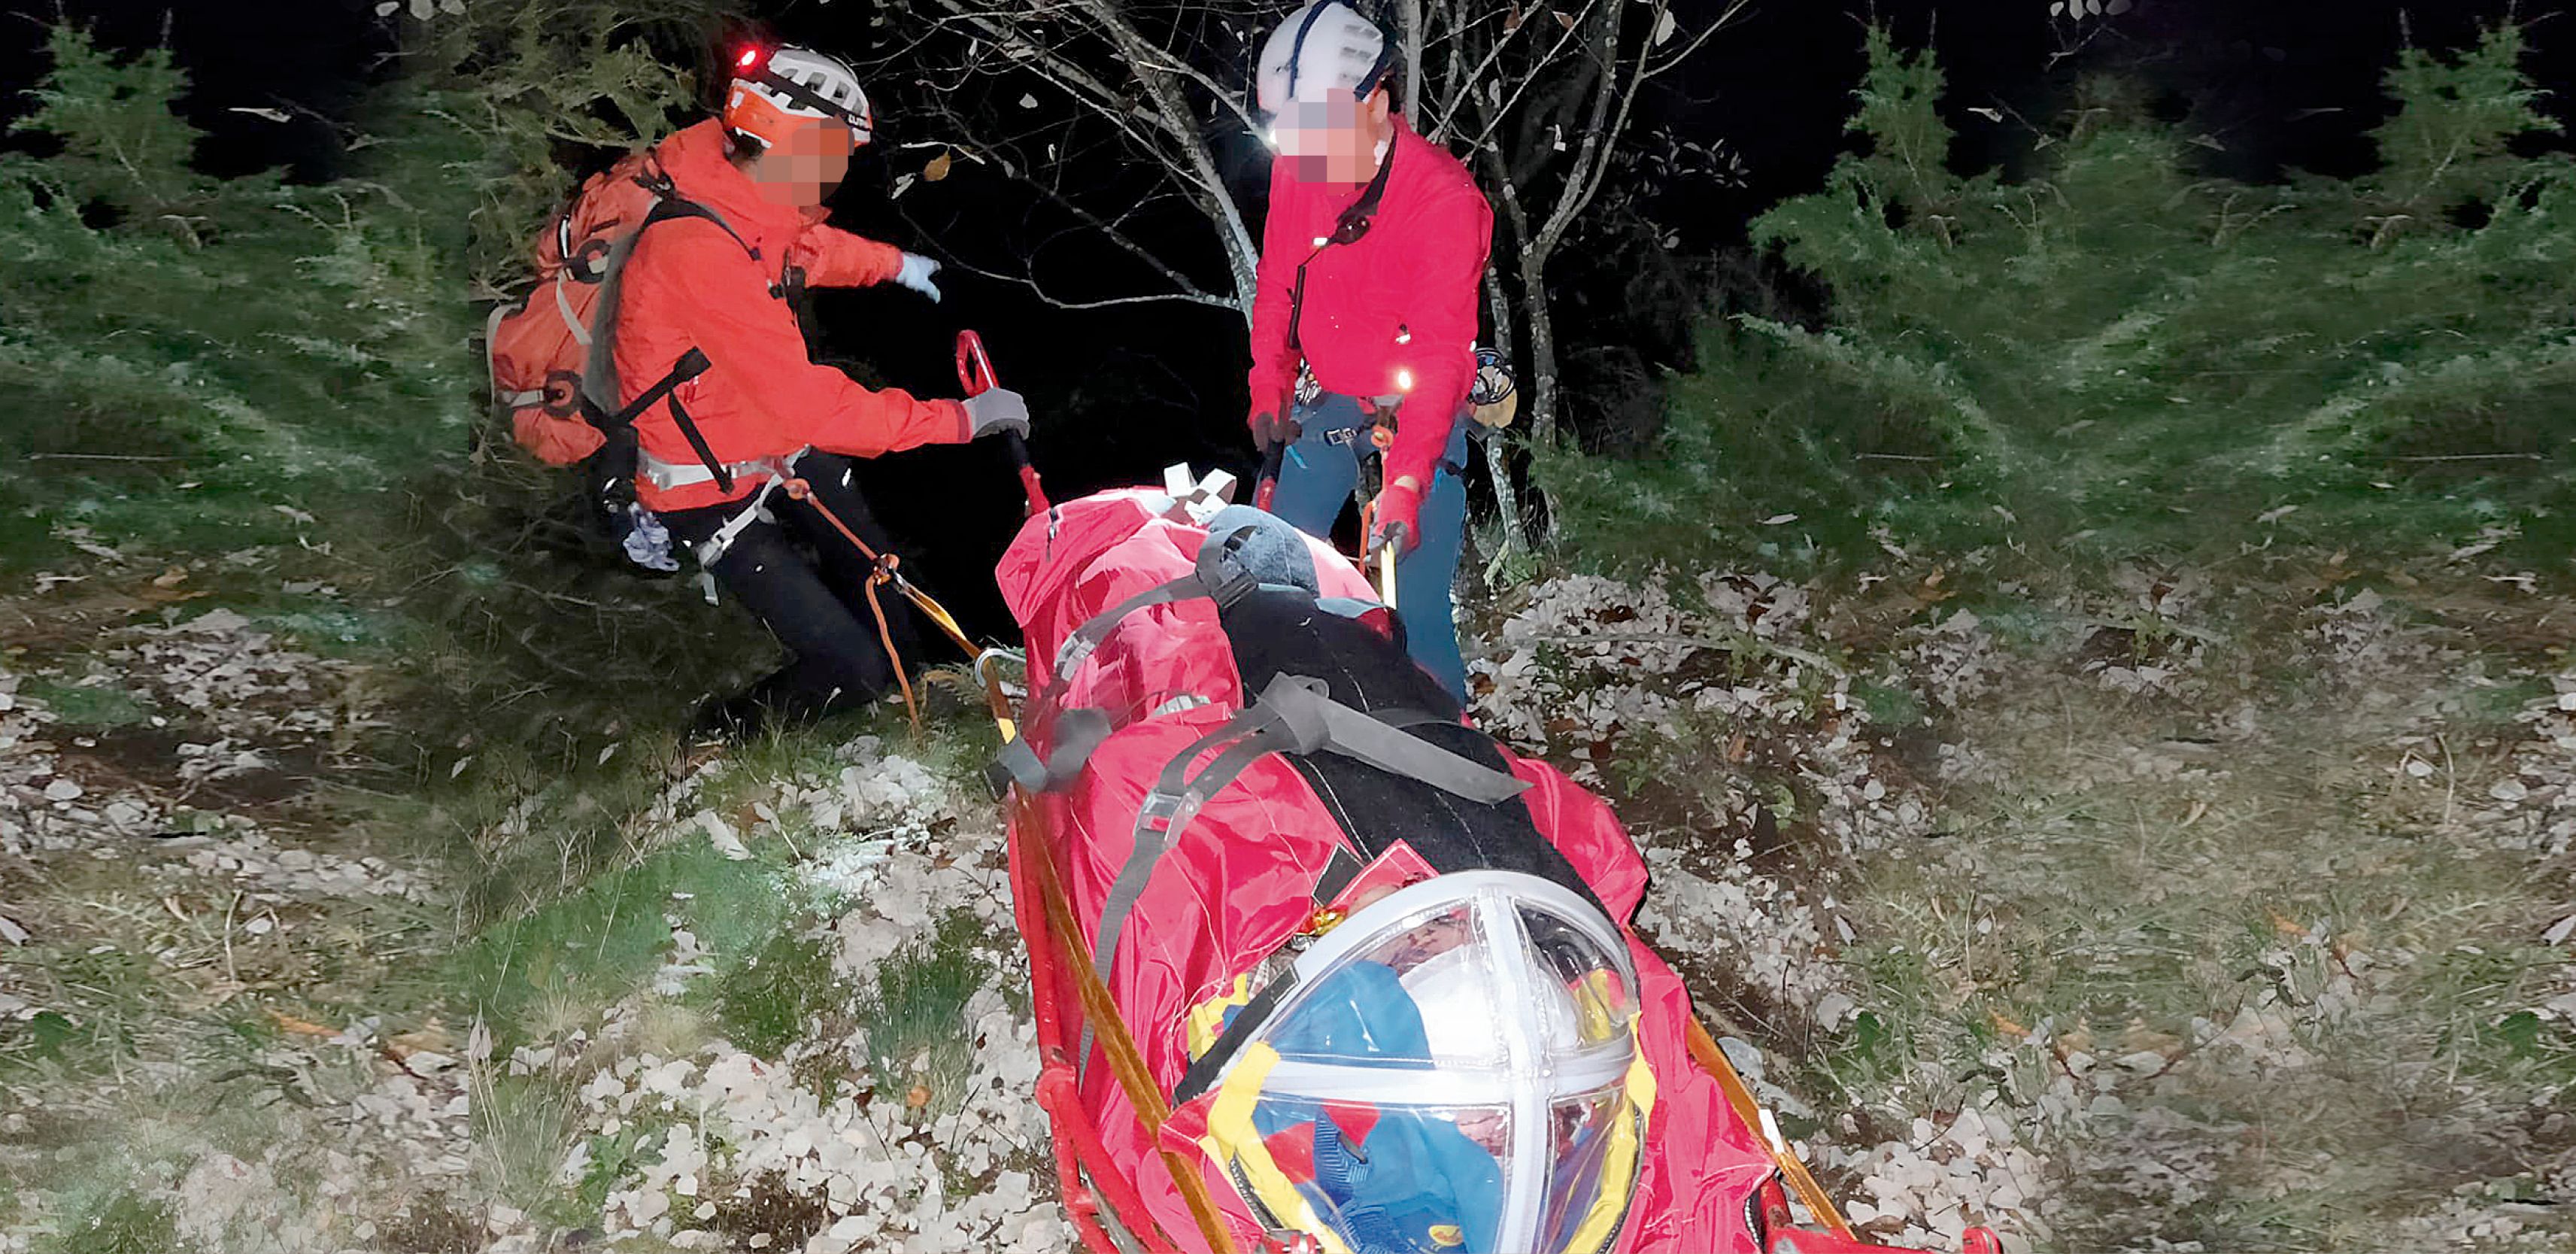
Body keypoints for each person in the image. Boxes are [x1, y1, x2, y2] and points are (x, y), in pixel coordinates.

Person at [609, 44, 1032, 739]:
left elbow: (809, 250)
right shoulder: (699, 252)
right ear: (789, 141)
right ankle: (717, 739)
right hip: (706, 487)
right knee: (851, 666)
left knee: (881, 579)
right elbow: (812, 407)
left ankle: (903, 693)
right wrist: (959, 420)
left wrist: (895, 265)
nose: (842, 168)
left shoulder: (741, 200)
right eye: (835, 148)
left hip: (759, 437)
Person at [1243, 0, 1495, 702]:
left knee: (1414, 611)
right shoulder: (1298, 170)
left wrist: (1407, 483)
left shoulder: (1441, 201)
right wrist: (1269, 387)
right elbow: (1277, 288)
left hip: (1416, 406)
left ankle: (1454, 753)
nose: (1306, 158)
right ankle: (1302, 716)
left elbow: (1444, 354)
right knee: (1273, 567)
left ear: (1378, 103)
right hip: (1329, 398)